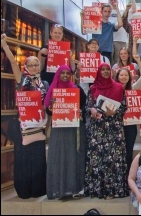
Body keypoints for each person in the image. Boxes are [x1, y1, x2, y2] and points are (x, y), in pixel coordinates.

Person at [1, 34, 48, 199]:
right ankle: (24, 190)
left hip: (39, 125)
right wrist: (5, 46)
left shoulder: (45, 84)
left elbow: (46, 104)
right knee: (23, 158)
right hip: (23, 125)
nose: (34, 67)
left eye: (36, 64)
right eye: (31, 65)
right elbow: (13, 62)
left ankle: (38, 189)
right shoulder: (22, 80)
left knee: (38, 158)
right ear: (26, 66)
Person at [84, 63, 128, 199]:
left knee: (114, 159)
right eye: (102, 70)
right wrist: (91, 110)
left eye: (107, 70)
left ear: (111, 72)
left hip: (114, 128)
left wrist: (114, 112)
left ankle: (114, 190)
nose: (104, 72)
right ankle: (98, 190)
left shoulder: (119, 87)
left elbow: (124, 107)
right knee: (98, 158)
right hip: (98, 129)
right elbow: (88, 106)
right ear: (98, 72)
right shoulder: (92, 89)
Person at [44, 65, 86, 199]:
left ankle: (73, 188)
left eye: (68, 73)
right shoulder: (53, 91)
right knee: (58, 157)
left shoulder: (76, 89)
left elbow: (84, 106)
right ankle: (58, 189)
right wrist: (52, 106)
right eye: (62, 73)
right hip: (58, 129)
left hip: (73, 129)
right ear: (58, 74)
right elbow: (48, 110)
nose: (65, 75)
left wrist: (81, 112)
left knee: (72, 157)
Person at [115, 54, 141, 172]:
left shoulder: (133, 88)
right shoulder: (112, 89)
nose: (123, 77)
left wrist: (138, 61)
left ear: (129, 77)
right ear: (117, 76)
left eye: (126, 75)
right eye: (121, 75)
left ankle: (128, 175)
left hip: (130, 126)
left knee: (129, 150)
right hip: (117, 125)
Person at [109, 0, 136, 66]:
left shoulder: (122, 11)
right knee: (110, 60)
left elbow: (133, 10)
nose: (113, 2)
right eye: (111, 0)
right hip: (110, 39)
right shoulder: (106, 12)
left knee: (119, 60)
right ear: (109, 2)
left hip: (121, 39)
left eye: (115, 0)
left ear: (117, 2)